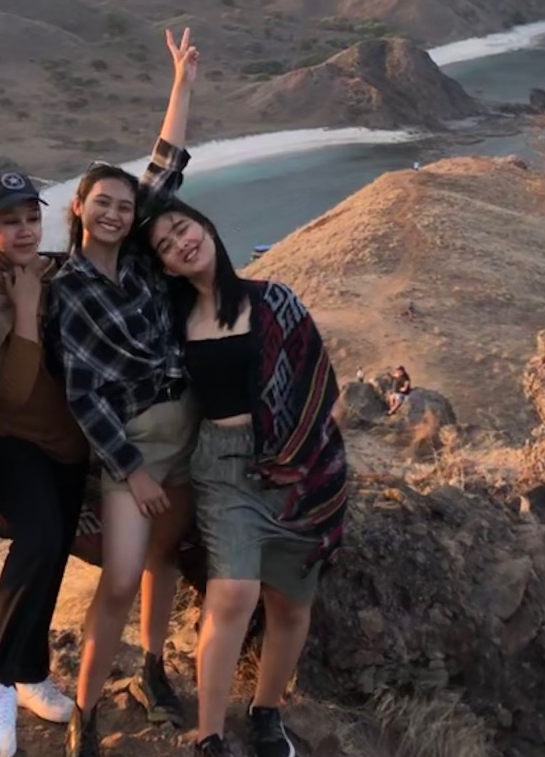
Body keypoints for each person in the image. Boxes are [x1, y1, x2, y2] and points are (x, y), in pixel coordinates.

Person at [141, 199, 349, 757]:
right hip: (223, 466)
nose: (181, 242)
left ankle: (266, 713)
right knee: (232, 591)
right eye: (166, 245)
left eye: (183, 228)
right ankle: (209, 733)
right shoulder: (174, 322)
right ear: (164, 266)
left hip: (295, 468)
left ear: (205, 227)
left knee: (290, 604)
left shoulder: (274, 299)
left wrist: (303, 459)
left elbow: (318, 384)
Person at [54, 28, 200, 757]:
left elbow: (164, 171)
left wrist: (179, 85)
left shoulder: (143, 259)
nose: (114, 212)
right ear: (78, 209)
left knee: (166, 559)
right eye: (101, 203)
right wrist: (132, 469)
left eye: (121, 204)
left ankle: (150, 665)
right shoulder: (67, 289)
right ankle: (83, 706)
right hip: (131, 443)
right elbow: (83, 394)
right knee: (117, 575)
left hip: (188, 429)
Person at [0, 166, 89, 757]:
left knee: (56, 550)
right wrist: (29, 307)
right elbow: (11, 387)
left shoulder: (45, 270)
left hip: (65, 441)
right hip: (8, 436)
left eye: (32, 218)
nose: (24, 230)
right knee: (37, 540)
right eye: (9, 220)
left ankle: (33, 672)